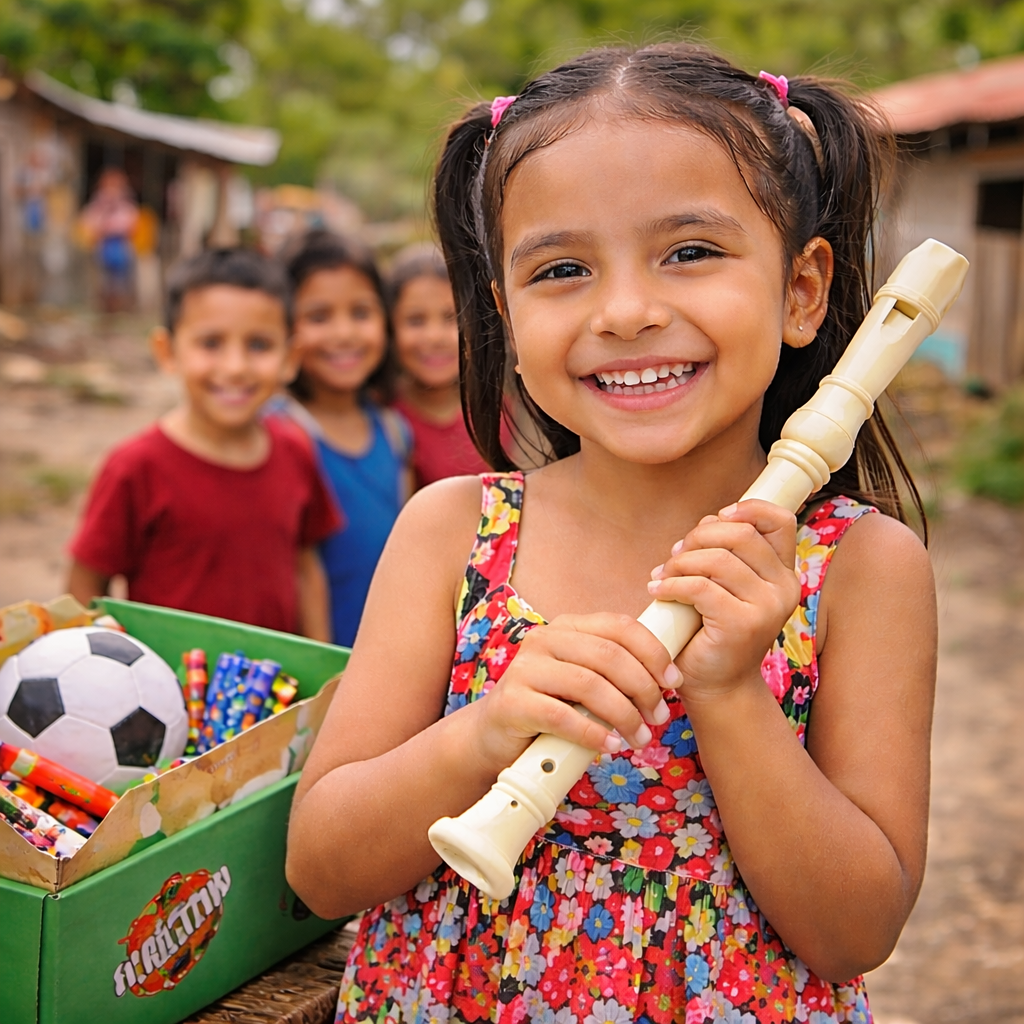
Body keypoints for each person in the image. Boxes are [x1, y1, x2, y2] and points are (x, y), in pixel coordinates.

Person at [287, 43, 937, 1024]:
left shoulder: (859, 568)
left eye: (689, 251)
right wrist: (483, 734)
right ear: (504, 312)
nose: (626, 311)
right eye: (562, 268)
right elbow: (321, 869)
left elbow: (854, 933)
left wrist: (727, 691)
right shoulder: (452, 531)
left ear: (802, 289)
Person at [68, 248, 339, 640]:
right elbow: (86, 583)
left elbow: (305, 565)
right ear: (167, 352)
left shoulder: (296, 449)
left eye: (259, 345)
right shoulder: (135, 465)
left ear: (290, 357)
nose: (235, 367)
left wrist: (324, 670)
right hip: (164, 692)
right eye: (211, 343)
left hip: (276, 692)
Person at [280, 231, 412, 648]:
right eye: (319, 317)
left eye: (360, 313)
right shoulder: (279, 434)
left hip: (382, 661)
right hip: (307, 673)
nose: (344, 334)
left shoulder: (394, 432)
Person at [389, 243, 489, 488]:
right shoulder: (383, 425)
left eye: (451, 318)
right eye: (415, 320)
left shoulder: (503, 413)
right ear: (389, 328)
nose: (434, 337)